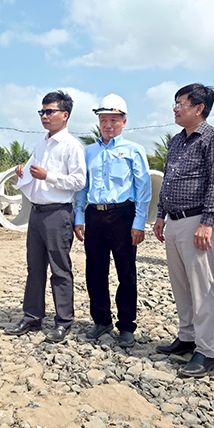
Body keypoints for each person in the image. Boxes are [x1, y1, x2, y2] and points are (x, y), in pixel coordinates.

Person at [153, 84, 214, 377]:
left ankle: (206, 351)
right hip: (174, 221)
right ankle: (186, 337)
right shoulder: (176, 141)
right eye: (175, 103)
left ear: (199, 108)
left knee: (202, 287)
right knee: (180, 284)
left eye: (181, 104)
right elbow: (168, 181)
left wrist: (207, 222)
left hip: (197, 220)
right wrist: (160, 215)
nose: (175, 109)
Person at [4, 91, 86, 343]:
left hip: (58, 213)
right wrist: (23, 173)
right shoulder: (41, 143)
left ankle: (63, 321)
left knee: (60, 269)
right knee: (34, 268)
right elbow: (33, 172)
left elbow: (79, 181)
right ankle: (32, 316)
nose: (44, 116)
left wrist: (48, 176)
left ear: (65, 114)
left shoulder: (72, 146)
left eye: (50, 111)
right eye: (42, 111)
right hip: (37, 213)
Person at [73, 94, 151, 348]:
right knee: (95, 270)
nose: (108, 125)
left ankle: (126, 325)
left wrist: (139, 222)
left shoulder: (134, 150)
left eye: (114, 120)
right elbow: (81, 187)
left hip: (123, 214)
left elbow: (143, 188)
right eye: (103, 119)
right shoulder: (89, 152)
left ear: (124, 122)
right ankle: (101, 320)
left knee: (126, 271)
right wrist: (79, 216)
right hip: (94, 214)